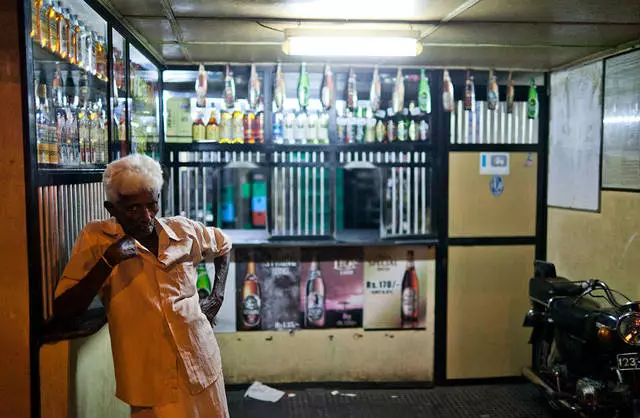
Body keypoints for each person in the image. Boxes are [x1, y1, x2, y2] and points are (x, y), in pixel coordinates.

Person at [54, 154, 231, 418]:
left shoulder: (182, 230)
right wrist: (107, 261)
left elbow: (223, 245)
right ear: (111, 208)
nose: (145, 216)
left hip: (201, 366)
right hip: (149, 382)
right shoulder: (96, 240)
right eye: (133, 208)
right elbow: (65, 308)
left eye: (152, 204)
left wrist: (217, 296)